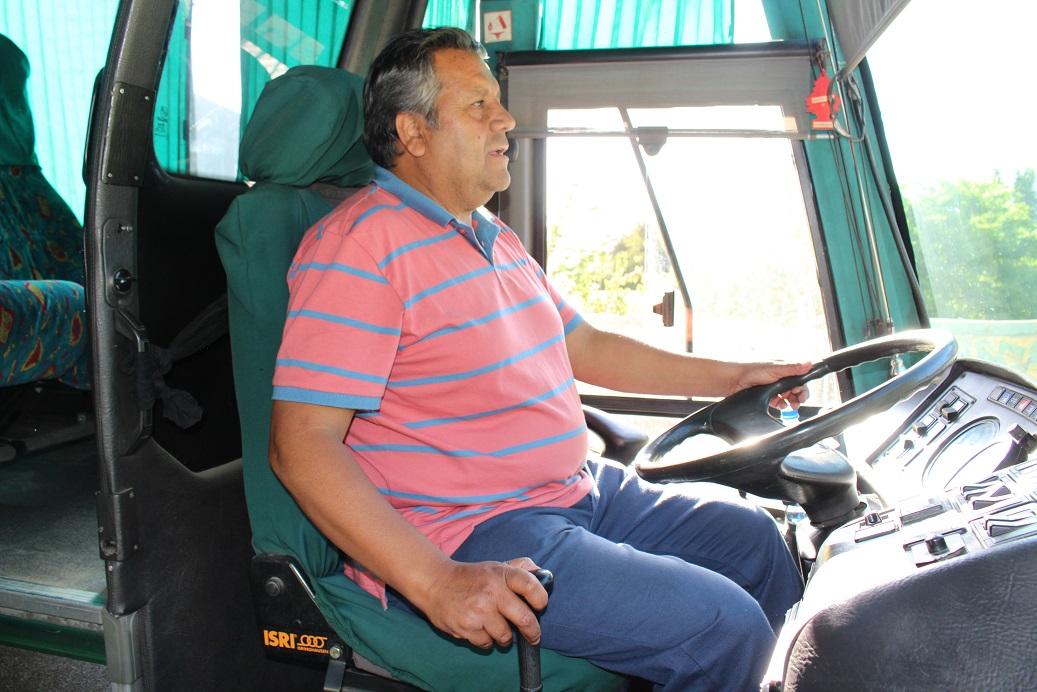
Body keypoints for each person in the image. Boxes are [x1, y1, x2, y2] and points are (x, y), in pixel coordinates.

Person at [269, 27, 809, 691]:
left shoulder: (489, 234)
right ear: (413, 132)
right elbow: (301, 443)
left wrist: (734, 376)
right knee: (725, 627)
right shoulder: (357, 248)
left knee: (756, 541)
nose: (505, 120)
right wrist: (435, 581)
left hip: (580, 490)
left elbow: (585, 346)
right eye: (478, 105)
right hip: (475, 528)